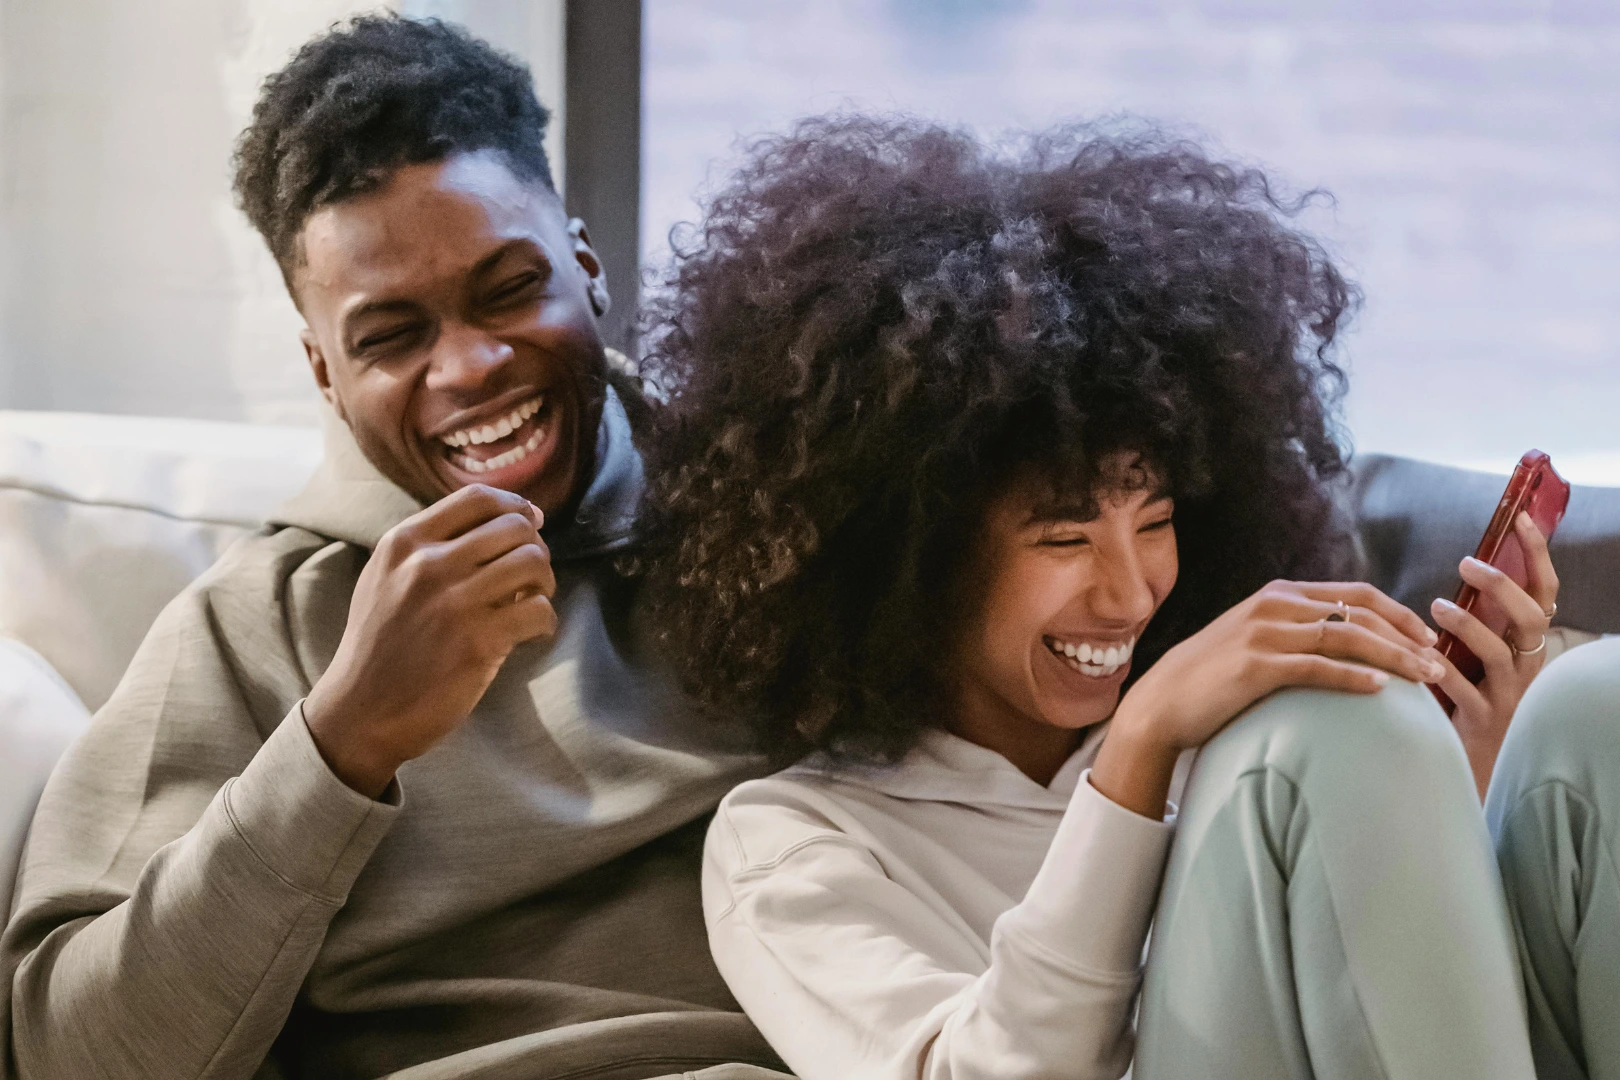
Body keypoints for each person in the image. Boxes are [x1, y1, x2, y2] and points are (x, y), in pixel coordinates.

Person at [634, 115, 1606, 1079]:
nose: (1133, 588)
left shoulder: (1237, 741)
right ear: (908, 552)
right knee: (1323, 733)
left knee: (1588, 705)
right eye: (1065, 535)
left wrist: (1466, 776)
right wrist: (1137, 755)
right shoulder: (795, 839)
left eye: (1155, 519)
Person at [0, 17, 787, 1080]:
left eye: (510, 290)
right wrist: (342, 741)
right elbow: (76, 1053)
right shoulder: (255, 625)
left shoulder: (784, 508)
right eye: (391, 336)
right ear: (324, 371)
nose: (469, 367)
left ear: (587, 266)